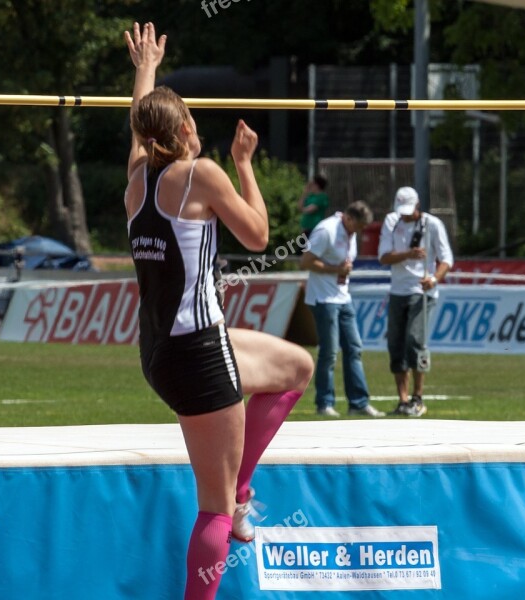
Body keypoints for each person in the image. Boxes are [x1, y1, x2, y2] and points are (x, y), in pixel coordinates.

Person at [123, 23, 313, 600]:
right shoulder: (201, 174)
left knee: (296, 367)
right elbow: (257, 236)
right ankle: (228, 513)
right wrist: (245, 163)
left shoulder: (136, 180)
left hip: (164, 350)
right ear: (184, 129)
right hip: (199, 354)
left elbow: (138, 126)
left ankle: (243, 488)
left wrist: (146, 69)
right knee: (213, 513)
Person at [300, 201, 385, 419]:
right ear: (348, 218)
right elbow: (306, 261)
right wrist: (335, 269)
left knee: (354, 347)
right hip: (323, 298)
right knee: (329, 352)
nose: (359, 231)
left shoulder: (350, 231)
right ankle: (324, 403)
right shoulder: (326, 230)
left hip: (343, 296)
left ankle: (358, 402)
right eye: (358, 226)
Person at [378, 187, 453, 417]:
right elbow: (383, 257)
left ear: (418, 206)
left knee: (415, 340)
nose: (405, 215)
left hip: (422, 292)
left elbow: (446, 259)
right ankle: (402, 400)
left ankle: (418, 398)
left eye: (409, 211)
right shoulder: (391, 221)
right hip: (397, 290)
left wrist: (433, 279)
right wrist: (408, 254)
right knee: (395, 345)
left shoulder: (432, 224)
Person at [298, 175, 330, 240]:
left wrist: (302, 209)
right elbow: (299, 206)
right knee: (301, 249)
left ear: (317, 185)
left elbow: (309, 210)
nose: (310, 186)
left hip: (314, 230)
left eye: (312, 184)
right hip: (305, 230)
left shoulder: (323, 197)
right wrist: (304, 193)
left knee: (303, 250)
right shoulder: (310, 196)